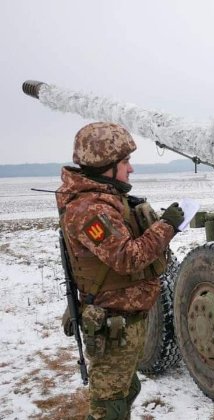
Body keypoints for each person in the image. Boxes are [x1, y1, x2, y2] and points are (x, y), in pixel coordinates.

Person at [56, 122, 184, 419]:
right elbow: (128, 257)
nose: (131, 170)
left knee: (125, 392)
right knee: (109, 407)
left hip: (125, 321)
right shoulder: (90, 211)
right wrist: (167, 227)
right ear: (105, 166)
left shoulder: (107, 201)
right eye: (125, 162)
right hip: (112, 324)